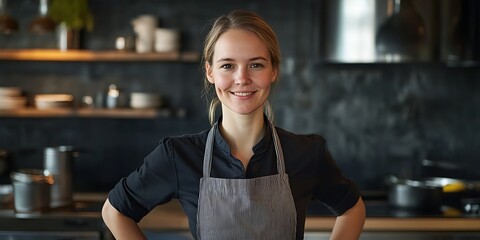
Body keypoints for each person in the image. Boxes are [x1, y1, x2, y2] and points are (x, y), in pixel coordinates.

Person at [102, 9, 366, 240]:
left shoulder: (306, 153)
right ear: (210, 72)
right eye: (228, 65)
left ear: (273, 70)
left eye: (256, 65)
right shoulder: (179, 156)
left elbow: (353, 210)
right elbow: (114, 212)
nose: (242, 78)